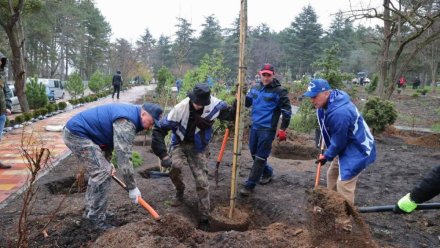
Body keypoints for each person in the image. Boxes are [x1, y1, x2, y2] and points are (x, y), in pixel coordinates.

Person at [63, 102, 163, 231]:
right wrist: (132, 187)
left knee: (102, 171)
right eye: (151, 122)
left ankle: (92, 212)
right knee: (102, 173)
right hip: (77, 135)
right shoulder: (126, 122)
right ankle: (95, 220)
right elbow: (123, 156)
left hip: (87, 135)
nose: (151, 127)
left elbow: (109, 140)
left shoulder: (132, 115)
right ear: (144, 114)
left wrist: (107, 161)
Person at [151, 83, 235, 230]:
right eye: (196, 103)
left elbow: (229, 116)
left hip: (199, 146)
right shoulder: (179, 109)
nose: (198, 106)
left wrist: (238, 105)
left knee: (202, 181)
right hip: (180, 143)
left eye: (201, 104)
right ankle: (180, 190)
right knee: (174, 167)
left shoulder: (213, 106)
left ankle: (204, 217)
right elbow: (159, 128)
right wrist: (163, 154)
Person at [303, 78, 376, 205]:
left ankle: (344, 220)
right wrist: (327, 149)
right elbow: (328, 129)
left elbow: (339, 141)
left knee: (344, 183)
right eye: (310, 97)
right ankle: (332, 206)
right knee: (332, 174)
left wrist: (327, 155)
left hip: (358, 148)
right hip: (346, 145)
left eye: (315, 96)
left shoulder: (339, 112)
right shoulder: (327, 103)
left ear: (326, 93)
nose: (312, 100)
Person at [239, 63, 292, 197]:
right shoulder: (255, 88)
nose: (266, 78)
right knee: (254, 153)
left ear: (273, 75)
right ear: (260, 74)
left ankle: (249, 185)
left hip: (267, 129)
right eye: (264, 75)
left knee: (260, 157)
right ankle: (267, 172)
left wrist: (283, 129)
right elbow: (247, 103)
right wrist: (241, 93)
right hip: (255, 127)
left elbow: (287, 112)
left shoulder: (280, 91)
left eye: (269, 75)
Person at [0, 52, 12, 169]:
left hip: (2, 113)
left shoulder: (2, 76)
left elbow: (7, 92)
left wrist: (8, 106)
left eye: (1, 61)